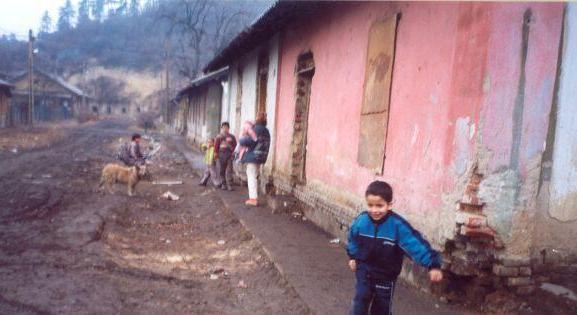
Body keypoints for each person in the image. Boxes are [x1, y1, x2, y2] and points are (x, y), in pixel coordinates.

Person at [347, 180, 443, 315]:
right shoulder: (361, 221)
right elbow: (353, 238)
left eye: (379, 206)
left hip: (385, 276)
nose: (374, 210)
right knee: (359, 303)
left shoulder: (397, 226)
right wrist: (352, 257)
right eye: (370, 205)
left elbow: (415, 245)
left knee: (381, 309)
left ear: (389, 205)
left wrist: (433, 265)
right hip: (364, 272)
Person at [239, 112, 271, 206]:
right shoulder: (266, 130)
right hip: (261, 156)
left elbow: (247, 141)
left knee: (251, 175)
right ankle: (254, 197)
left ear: (257, 119)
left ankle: (253, 199)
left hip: (253, 155)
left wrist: (242, 137)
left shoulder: (255, 129)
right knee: (255, 175)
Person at [214, 122, 237, 191]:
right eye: (223, 127)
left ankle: (229, 184)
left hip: (229, 155)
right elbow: (216, 146)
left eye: (226, 127)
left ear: (228, 128)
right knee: (222, 170)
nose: (225, 129)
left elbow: (235, 146)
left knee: (229, 170)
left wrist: (233, 154)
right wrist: (215, 154)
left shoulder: (232, 137)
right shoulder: (219, 137)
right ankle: (223, 184)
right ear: (221, 128)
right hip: (221, 155)